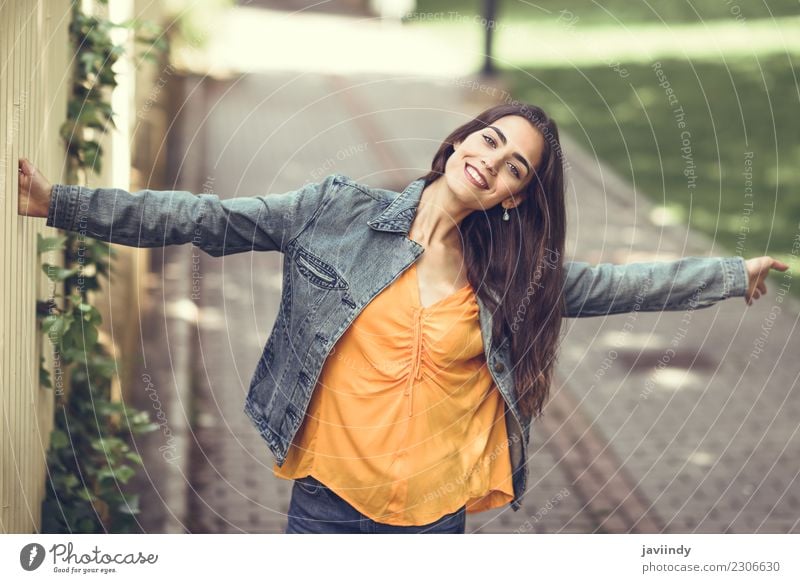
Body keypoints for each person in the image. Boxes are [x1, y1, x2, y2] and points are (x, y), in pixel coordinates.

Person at [17, 103, 788, 534]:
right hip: (325, 504)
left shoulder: (512, 280)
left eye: (515, 166)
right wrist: (61, 203)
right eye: (490, 140)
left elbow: (618, 285)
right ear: (460, 142)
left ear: (512, 196)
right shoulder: (335, 213)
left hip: (431, 519)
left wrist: (730, 274)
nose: (493, 160)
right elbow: (204, 218)